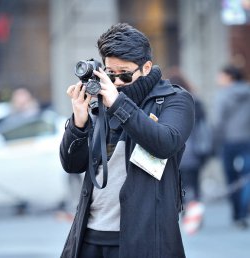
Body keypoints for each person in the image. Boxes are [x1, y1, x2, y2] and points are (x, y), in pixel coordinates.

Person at [59, 23, 195, 258]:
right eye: (111, 74)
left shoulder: (174, 100)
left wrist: (118, 104)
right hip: (89, 234)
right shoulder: (100, 103)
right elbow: (72, 165)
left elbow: (165, 143)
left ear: (147, 67)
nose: (118, 81)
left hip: (144, 237)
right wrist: (78, 123)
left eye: (125, 73)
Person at [166, 67, 212, 235]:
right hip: (196, 152)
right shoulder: (196, 101)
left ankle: (185, 214)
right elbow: (204, 128)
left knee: (179, 186)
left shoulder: (168, 102)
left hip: (177, 152)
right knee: (195, 186)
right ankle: (196, 217)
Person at [213, 64, 250, 229]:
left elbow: (218, 121)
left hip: (229, 143)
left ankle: (237, 214)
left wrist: (215, 143)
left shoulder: (224, 95)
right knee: (247, 178)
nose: (218, 79)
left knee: (232, 179)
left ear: (229, 77)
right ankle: (244, 211)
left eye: (220, 75)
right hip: (247, 141)